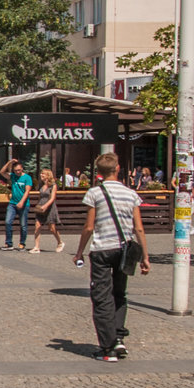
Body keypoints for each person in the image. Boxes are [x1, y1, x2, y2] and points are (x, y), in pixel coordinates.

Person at [72, 153, 150, 361]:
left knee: (101, 297)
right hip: (125, 249)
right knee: (119, 293)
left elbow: (89, 226)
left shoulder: (94, 193)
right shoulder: (130, 194)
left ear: (98, 173)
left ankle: (108, 348)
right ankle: (118, 338)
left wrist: (80, 251)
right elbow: (139, 228)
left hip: (102, 250)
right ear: (117, 170)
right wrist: (145, 256)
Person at [27, 168, 66, 254]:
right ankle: (36, 247)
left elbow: (52, 198)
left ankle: (60, 242)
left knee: (52, 228)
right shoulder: (41, 185)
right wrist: (38, 205)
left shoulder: (53, 185)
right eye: (41, 174)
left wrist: (45, 206)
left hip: (50, 207)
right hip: (41, 207)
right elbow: (40, 196)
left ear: (48, 175)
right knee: (37, 225)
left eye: (43, 174)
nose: (41, 175)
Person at [0, 158, 33, 250]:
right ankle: (9, 243)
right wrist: (9, 162)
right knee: (8, 222)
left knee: (23, 225)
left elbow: (27, 191)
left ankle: (22, 243)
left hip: (24, 204)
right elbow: (2, 172)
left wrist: (22, 202)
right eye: (15, 170)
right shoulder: (13, 176)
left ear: (22, 168)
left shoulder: (27, 178)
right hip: (12, 203)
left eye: (19, 170)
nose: (17, 172)